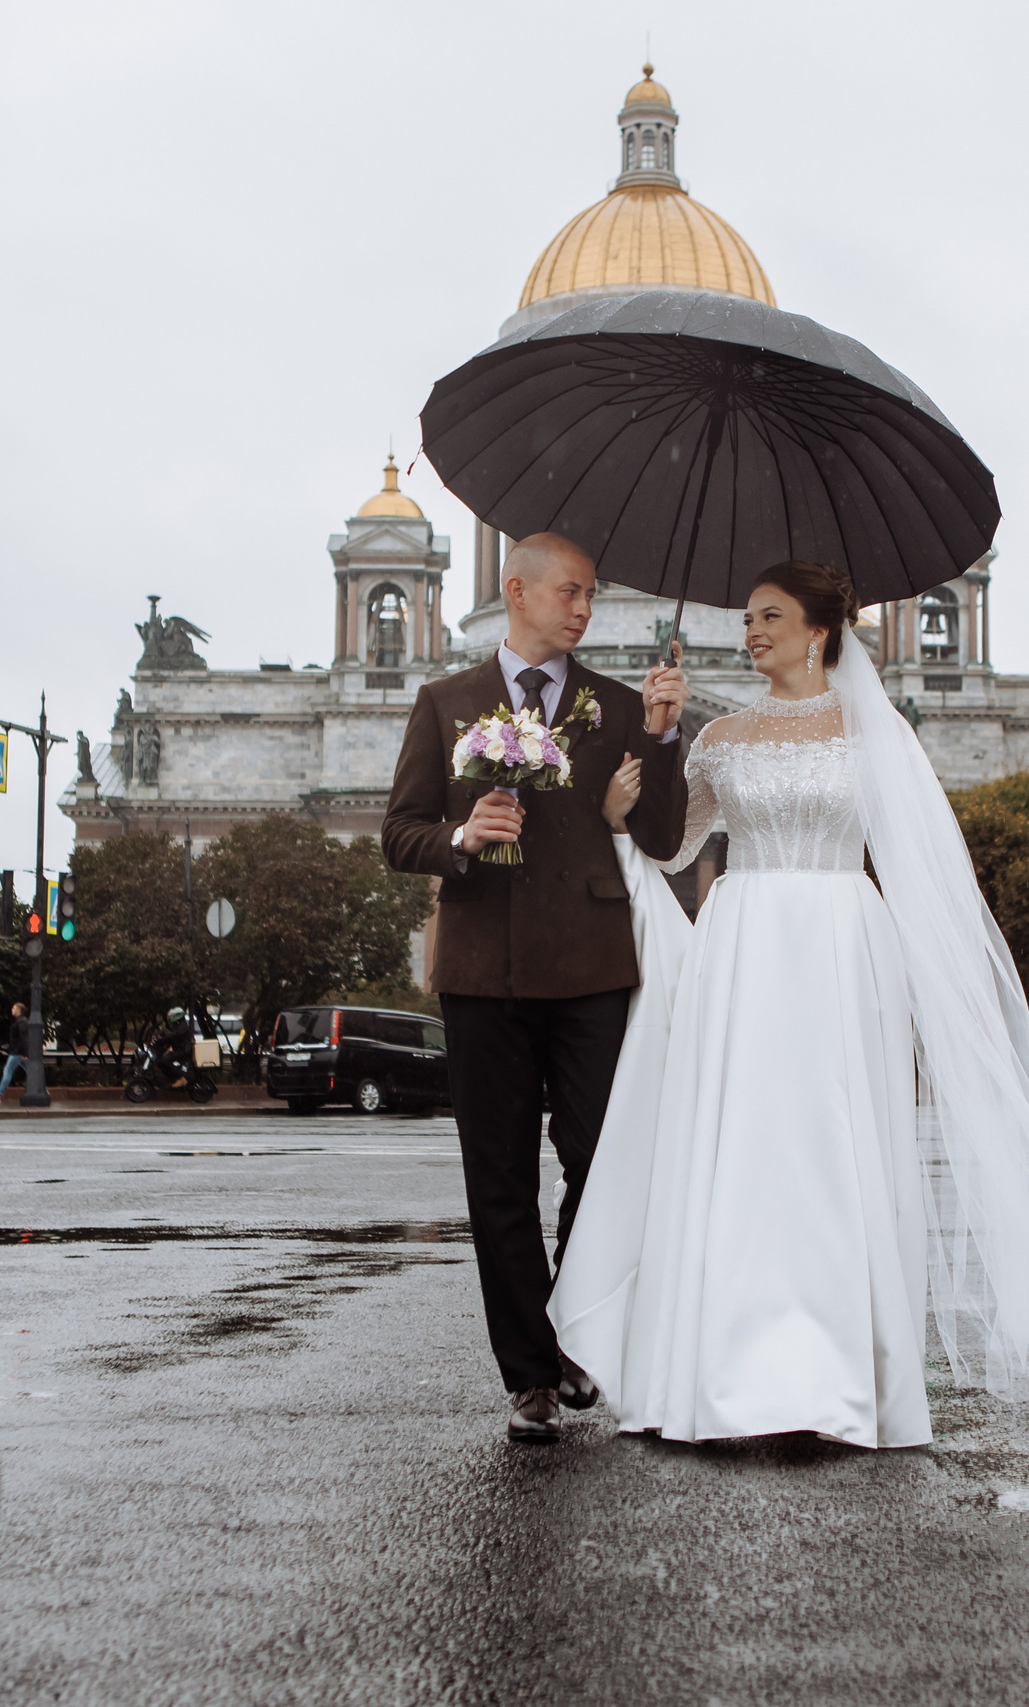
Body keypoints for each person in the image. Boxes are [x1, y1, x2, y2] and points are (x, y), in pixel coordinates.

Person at [550, 561, 1029, 1447]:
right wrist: (655, 740)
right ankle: (728, 1373)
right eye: (748, 618)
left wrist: (943, 988)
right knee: (744, 1148)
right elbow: (669, 845)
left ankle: (834, 1380)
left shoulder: (877, 735)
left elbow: (922, 867)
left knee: (833, 1149)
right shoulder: (718, 736)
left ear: (820, 631)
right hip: (742, 948)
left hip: (844, 949)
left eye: (770, 616)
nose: (752, 632)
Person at [382, 532, 690, 1443]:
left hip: (593, 968)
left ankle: (572, 1331)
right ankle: (531, 1374)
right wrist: (460, 836)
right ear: (515, 591)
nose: (585, 609)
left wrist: (666, 740)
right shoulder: (446, 704)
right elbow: (398, 833)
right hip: (480, 972)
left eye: (591, 595)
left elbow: (667, 837)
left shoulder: (625, 705)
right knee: (500, 1179)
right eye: (570, 593)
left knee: (598, 1166)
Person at [0, 1002, 29, 1103]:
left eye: (14, 1008)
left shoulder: (21, 1022)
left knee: (7, 1071)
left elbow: (24, 1038)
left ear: (19, 1010)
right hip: (19, 1052)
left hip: (17, 1052)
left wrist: (25, 1053)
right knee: (31, 1071)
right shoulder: (20, 1021)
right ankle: (43, 1089)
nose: (12, 1010)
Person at [153, 1006, 197, 1088]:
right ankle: (172, 1078)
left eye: (172, 1016)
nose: (170, 1018)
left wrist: (163, 1040)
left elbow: (174, 1036)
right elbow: (172, 1038)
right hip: (179, 1049)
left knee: (165, 1060)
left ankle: (181, 1078)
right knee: (159, 1062)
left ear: (178, 1016)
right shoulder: (177, 1025)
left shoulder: (182, 1026)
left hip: (183, 1050)